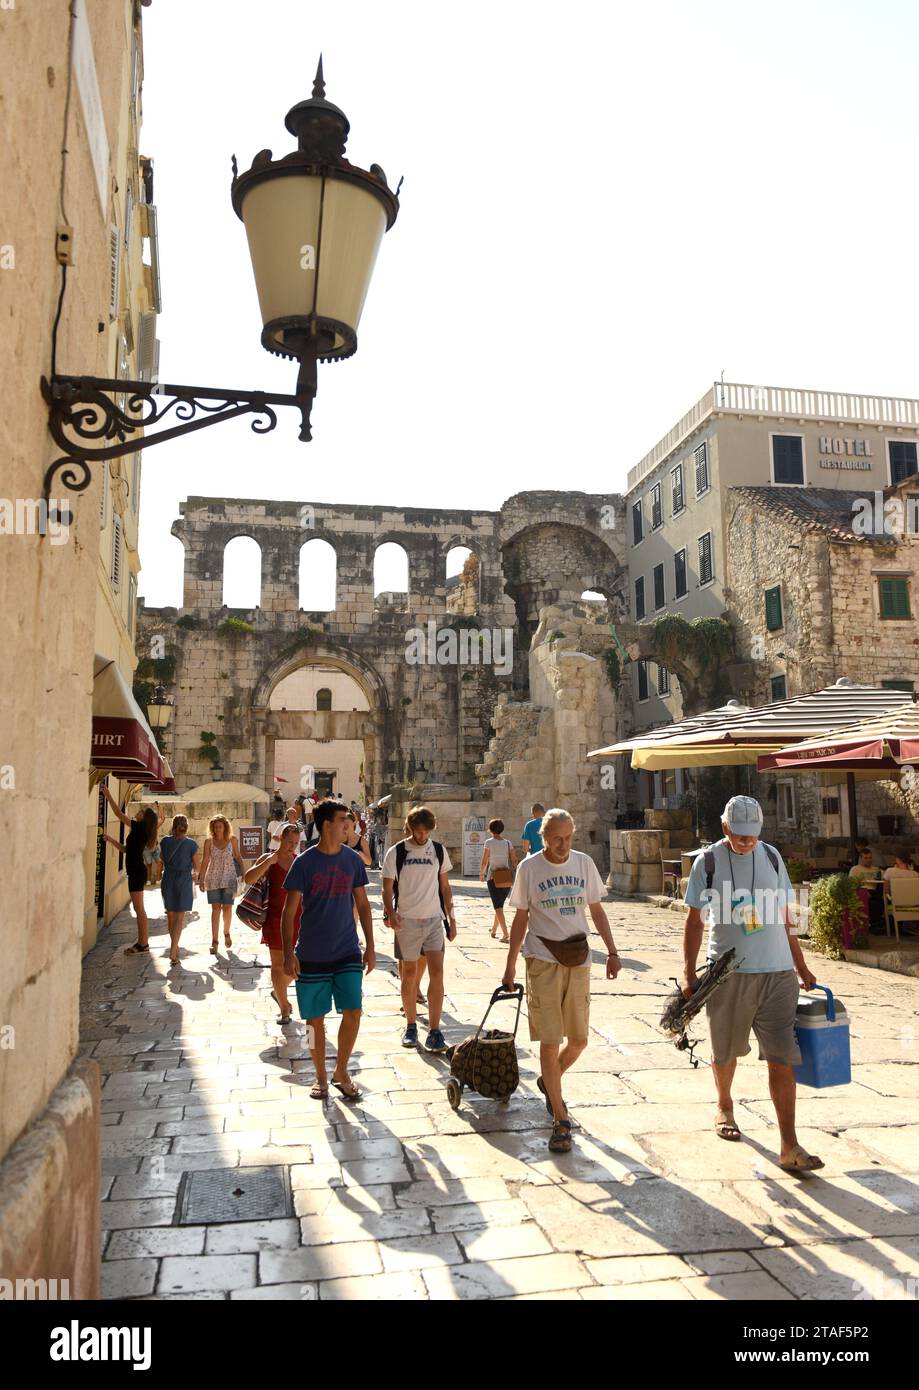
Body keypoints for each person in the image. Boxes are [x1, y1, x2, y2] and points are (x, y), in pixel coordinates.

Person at [681, 795, 822, 1172]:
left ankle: (789, 1145)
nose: (746, 842)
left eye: (752, 836)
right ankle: (725, 1105)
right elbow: (694, 921)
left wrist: (801, 965)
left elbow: (787, 914)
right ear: (725, 828)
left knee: (783, 1058)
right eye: (739, 835)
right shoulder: (706, 862)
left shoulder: (773, 857)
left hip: (778, 974)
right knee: (725, 1052)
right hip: (729, 975)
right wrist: (688, 971)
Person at [502, 808, 621, 1154]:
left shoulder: (583, 863)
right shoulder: (529, 868)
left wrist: (612, 952)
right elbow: (521, 918)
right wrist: (510, 965)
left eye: (568, 837)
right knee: (550, 1041)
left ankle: (548, 1080)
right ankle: (560, 1117)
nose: (563, 844)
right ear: (544, 837)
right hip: (542, 959)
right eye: (556, 837)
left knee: (580, 1040)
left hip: (579, 957)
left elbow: (596, 909)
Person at [281, 799, 375, 1100]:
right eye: (342, 819)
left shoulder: (352, 860)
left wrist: (371, 945)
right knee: (313, 1021)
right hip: (311, 954)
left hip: (346, 949)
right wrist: (287, 953)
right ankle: (320, 1075)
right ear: (326, 825)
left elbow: (362, 904)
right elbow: (288, 911)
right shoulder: (304, 863)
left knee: (354, 1011)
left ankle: (341, 1070)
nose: (349, 824)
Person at [382, 805, 456, 1053]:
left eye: (427, 831)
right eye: (418, 831)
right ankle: (411, 1025)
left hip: (434, 919)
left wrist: (451, 918)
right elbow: (387, 887)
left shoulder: (437, 850)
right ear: (410, 828)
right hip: (408, 920)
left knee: (437, 974)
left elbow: (445, 887)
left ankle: (435, 1030)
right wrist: (391, 914)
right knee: (409, 974)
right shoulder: (397, 852)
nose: (423, 835)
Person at [244, 823, 302, 1023]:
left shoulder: (299, 861)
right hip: (275, 919)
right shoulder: (269, 859)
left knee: (300, 963)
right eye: (289, 842)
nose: (292, 846)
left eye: (295, 843)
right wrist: (267, 863)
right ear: (280, 839)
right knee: (278, 965)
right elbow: (248, 878)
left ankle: (279, 991)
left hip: (298, 917)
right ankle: (284, 1008)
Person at [100, 790, 160, 954]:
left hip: (136, 871)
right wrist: (110, 840)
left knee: (139, 909)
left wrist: (108, 795)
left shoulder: (139, 827)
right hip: (136, 870)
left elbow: (118, 814)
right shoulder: (139, 831)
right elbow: (126, 849)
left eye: (141, 812)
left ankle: (143, 944)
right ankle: (143, 943)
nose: (138, 812)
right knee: (138, 908)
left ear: (144, 818)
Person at [159, 815, 200, 967]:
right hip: (183, 880)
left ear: (173, 826)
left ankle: (174, 949)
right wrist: (195, 876)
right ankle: (173, 949)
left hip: (168, 878)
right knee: (179, 917)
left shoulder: (165, 841)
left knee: (170, 915)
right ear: (186, 827)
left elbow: (162, 858)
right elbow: (197, 866)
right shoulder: (191, 844)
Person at [200, 815, 242, 954]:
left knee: (228, 908)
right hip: (213, 878)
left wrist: (244, 871)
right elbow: (205, 860)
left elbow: (237, 856)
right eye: (215, 826)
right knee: (216, 909)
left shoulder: (233, 840)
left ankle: (226, 932)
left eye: (220, 826)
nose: (217, 829)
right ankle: (214, 941)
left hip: (230, 879)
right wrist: (201, 878)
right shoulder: (208, 842)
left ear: (225, 827)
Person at [479, 818, 517, 942]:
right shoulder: (508, 843)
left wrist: (481, 873)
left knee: (498, 906)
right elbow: (514, 860)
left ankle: (506, 934)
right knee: (499, 904)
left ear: (490, 830)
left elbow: (485, 860)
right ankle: (494, 930)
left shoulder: (489, 842)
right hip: (506, 877)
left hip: (493, 877)